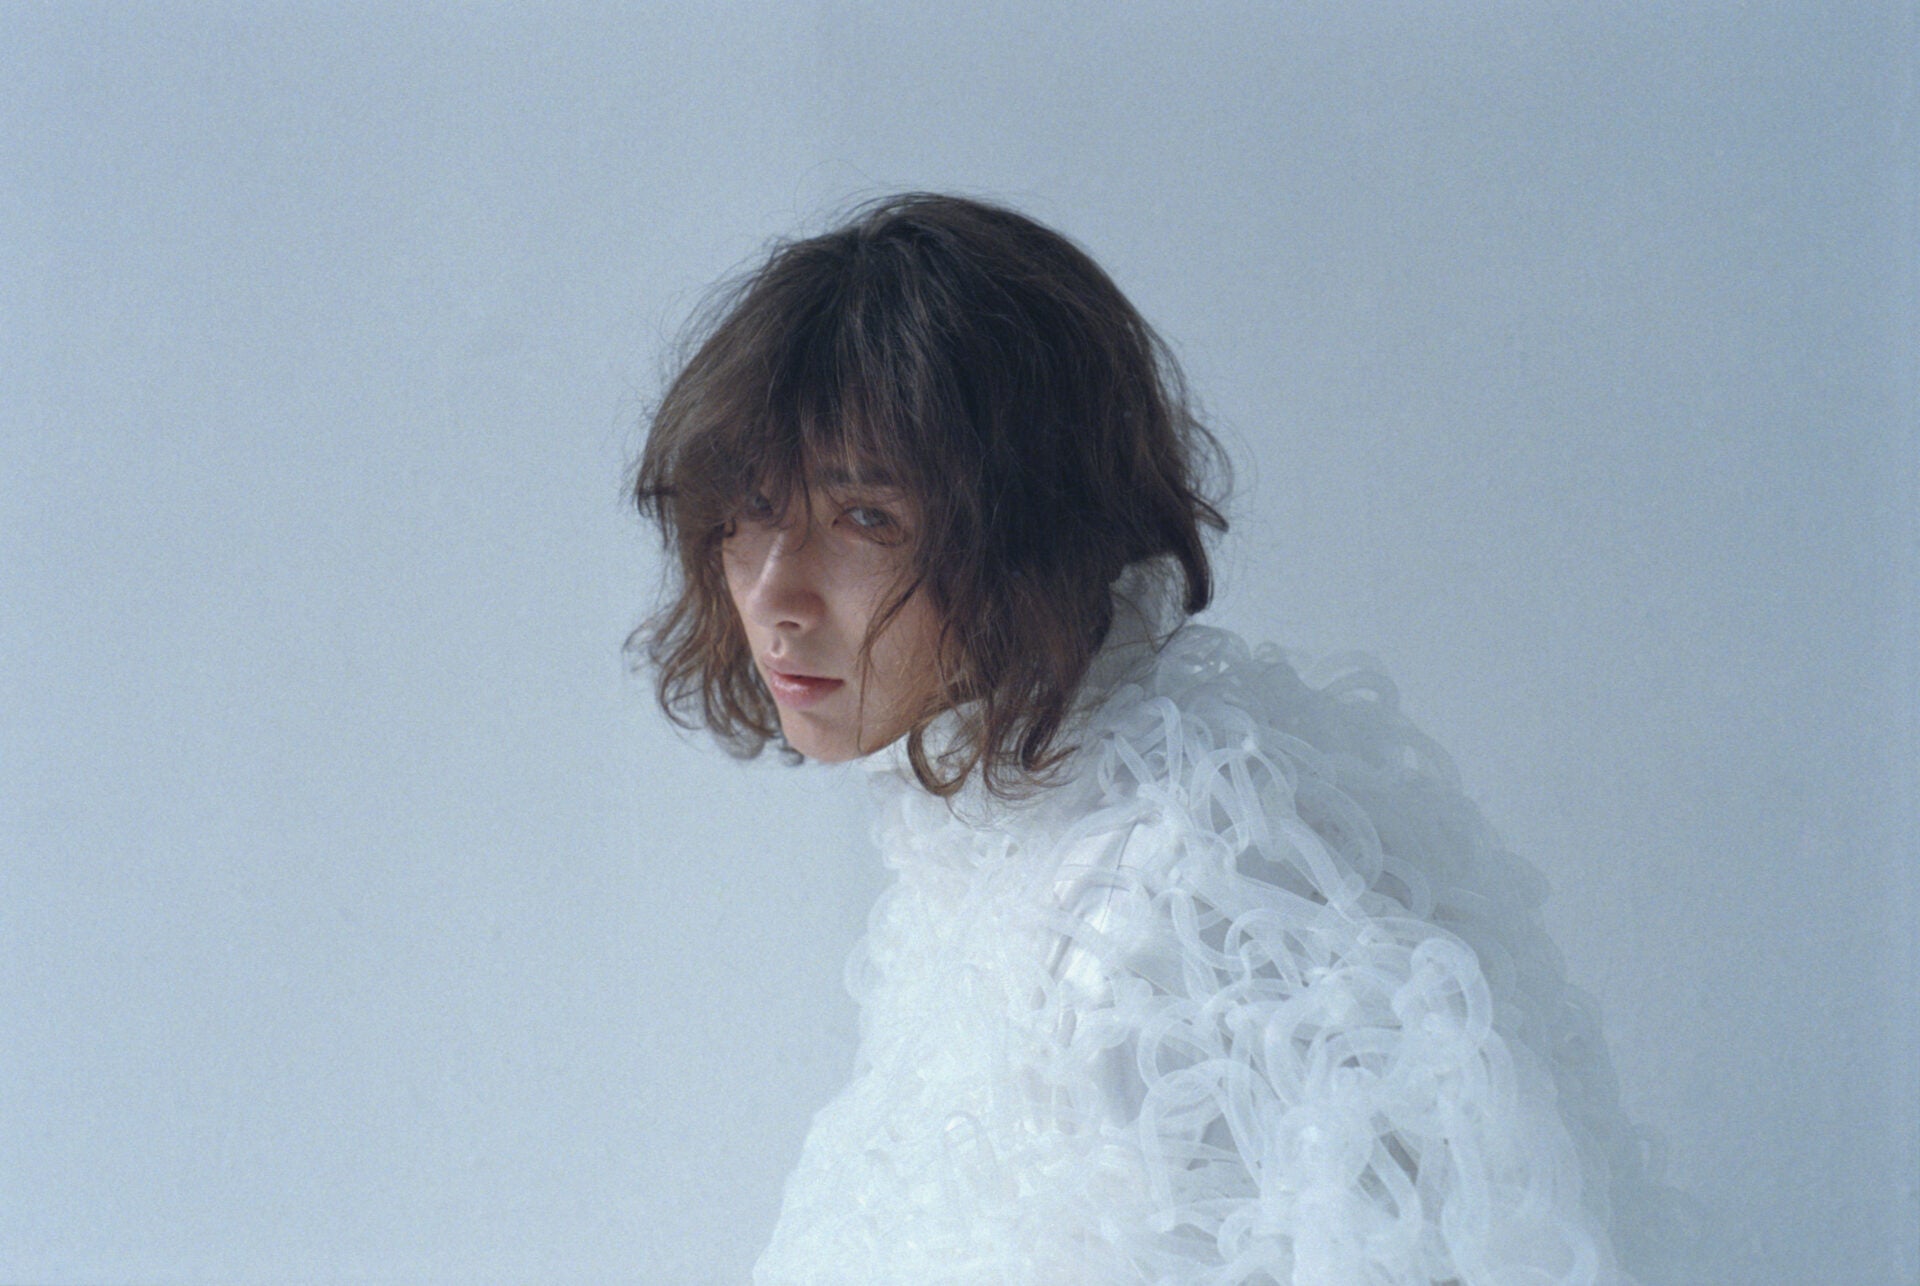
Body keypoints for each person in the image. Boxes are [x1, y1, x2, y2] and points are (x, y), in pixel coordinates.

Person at [631, 194, 1683, 1284]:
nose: (772, 592)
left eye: (865, 519)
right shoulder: (1010, 830)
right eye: (750, 510)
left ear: (1032, 527)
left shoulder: (1150, 905)